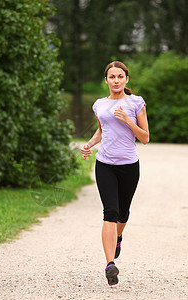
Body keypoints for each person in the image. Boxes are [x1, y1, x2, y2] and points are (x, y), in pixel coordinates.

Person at [81, 61, 149, 286]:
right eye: (112, 77)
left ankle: (118, 238)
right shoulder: (99, 105)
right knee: (110, 211)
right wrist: (88, 145)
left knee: (123, 213)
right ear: (106, 80)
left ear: (126, 79)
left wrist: (128, 121)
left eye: (120, 76)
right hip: (105, 164)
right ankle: (110, 264)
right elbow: (101, 131)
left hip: (129, 165)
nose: (116, 80)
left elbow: (145, 137)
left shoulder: (136, 102)